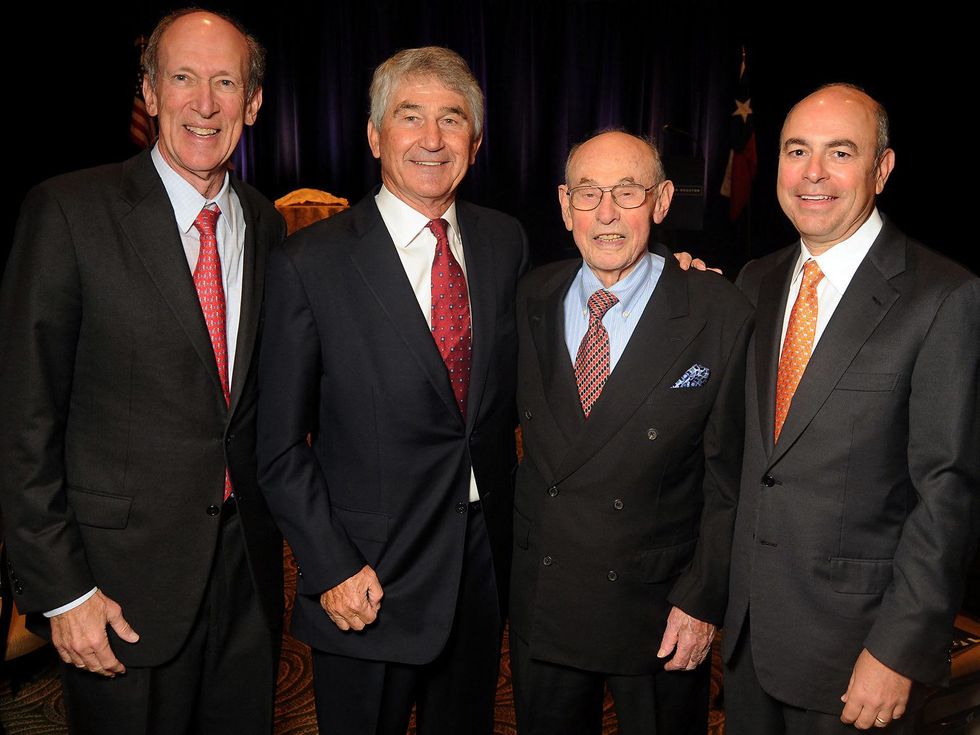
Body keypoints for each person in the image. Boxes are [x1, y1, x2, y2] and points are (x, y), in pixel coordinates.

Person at [0, 9, 285, 734]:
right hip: (116, 590)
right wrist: (62, 593)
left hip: (246, 576)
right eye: (183, 78)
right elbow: (24, 417)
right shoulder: (67, 211)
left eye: (226, 82)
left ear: (251, 103)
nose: (204, 102)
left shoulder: (264, 220)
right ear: (150, 92)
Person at [256, 46, 529, 735]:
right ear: (376, 135)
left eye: (452, 119)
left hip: (481, 567)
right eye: (411, 117)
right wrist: (330, 567)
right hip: (366, 580)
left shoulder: (505, 242)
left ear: (476, 139)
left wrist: (662, 280)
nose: (432, 139)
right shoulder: (308, 262)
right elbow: (280, 447)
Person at [723, 83, 980, 734]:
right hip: (750, 641)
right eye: (796, 150)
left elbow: (946, 494)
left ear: (882, 169)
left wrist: (898, 647)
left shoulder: (943, 297)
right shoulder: (755, 281)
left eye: (840, 152)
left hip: (857, 656)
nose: (812, 173)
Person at [508, 130, 753, 735]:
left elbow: (732, 481)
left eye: (628, 192)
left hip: (658, 607)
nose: (608, 214)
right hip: (549, 595)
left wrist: (701, 599)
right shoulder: (532, 295)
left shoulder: (718, 312)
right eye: (589, 194)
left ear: (663, 201)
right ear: (565, 207)